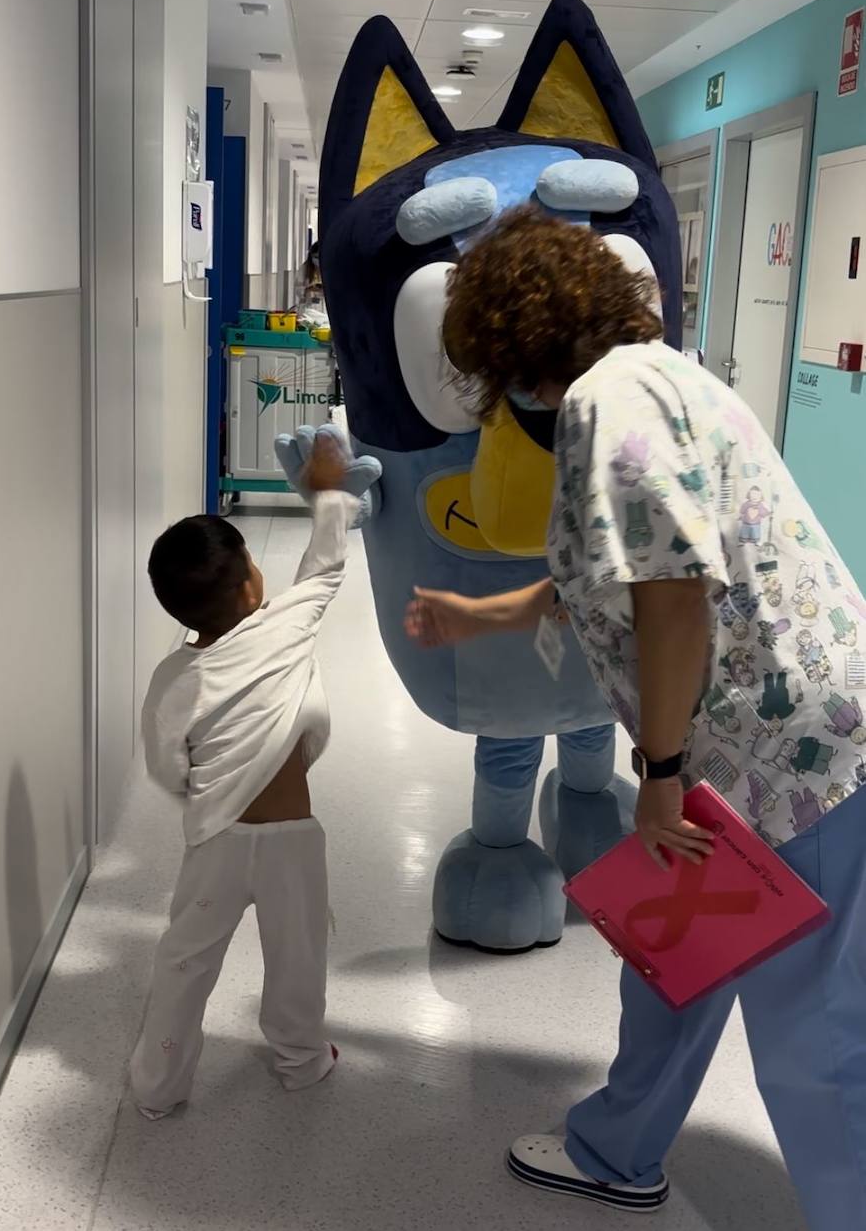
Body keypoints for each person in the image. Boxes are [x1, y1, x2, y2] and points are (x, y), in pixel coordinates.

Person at [405, 207, 866, 1228]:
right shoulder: (662, 378)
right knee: (674, 953)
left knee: (811, 1032)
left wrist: (658, 776)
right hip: (748, 744)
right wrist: (473, 612)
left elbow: (671, 594)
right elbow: (595, 572)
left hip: (794, 754)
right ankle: (618, 1150)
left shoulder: (610, 405)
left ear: (508, 339)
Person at [130, 432, 359, 1118]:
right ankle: (301, 1061)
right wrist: (327, 494)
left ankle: (157, 1089)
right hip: (294, 839)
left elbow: (166, 764)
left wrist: (203, 794)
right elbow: (324, 569)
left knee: (183, 966)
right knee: (297, 961)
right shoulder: (283, 626)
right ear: (253, 579)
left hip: (216, 843)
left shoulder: (173, 678)